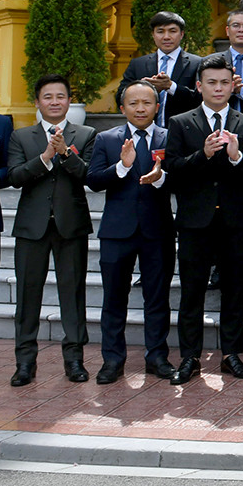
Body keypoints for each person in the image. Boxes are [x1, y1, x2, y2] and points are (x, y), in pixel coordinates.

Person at [164, 54, 243, 384]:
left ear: (233, 85)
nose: (218, 88)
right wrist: (204, 155)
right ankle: (190, 357)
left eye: (225, 82)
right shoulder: (181, 122)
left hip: (236, 221)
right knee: (191, 292)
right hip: (196, 221)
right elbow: (172, 171)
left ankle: (231, 355)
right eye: (212, 82)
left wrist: (237, 158)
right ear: (199, 86)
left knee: (234, 291)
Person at [0, 75, 94, 386]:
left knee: (73, 293)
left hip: (71, 225)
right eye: (48, 96)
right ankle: (25, 363)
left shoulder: (87, 133)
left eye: (61, 96)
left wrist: (65, 152)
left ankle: (75, 360)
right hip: (31, 227)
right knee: (27, 296)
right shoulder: (21, 137)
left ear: (69, 100)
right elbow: (14, 176)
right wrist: (45, 158)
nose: (55, 101)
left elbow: (89, 176)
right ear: (37, 102)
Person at [86, 81, 174, 383]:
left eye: (147, 103)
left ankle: (157, 357)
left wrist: (161, 178)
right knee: (113, 299)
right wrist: (121, 168)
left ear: (157, 107)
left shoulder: (169, 137)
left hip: (158, 230)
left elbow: (184, 180)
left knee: (158, 298)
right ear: (122, 108)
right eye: (133, 103)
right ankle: (112, 360)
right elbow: (94, 180)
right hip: (116, 231)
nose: (140, 108)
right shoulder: (106, 138)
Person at [119, 11, 201, 120]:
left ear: (181, 34)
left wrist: (171, 87)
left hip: (183, 130)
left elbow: (202, 99)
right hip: (146, 129)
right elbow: (120, 97)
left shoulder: (197, 63)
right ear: (153, 35)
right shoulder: (138, 64)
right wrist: (142, 89)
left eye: (172, 31)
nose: (166, 37)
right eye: (160, 32)